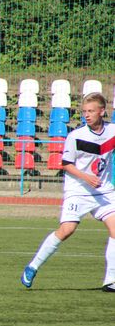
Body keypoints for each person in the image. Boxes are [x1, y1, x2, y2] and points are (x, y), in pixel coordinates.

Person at [21, 92, 115, 292]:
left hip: (104, 191)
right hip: (78, 189)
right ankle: (33, 266)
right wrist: (86, 177)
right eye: (84, 112)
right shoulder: (75, 136)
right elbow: (66, 165)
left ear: (102, 111)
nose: (86, 115)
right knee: (67, 230)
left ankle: (111, 280)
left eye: (91, 111)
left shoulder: (112, 132)